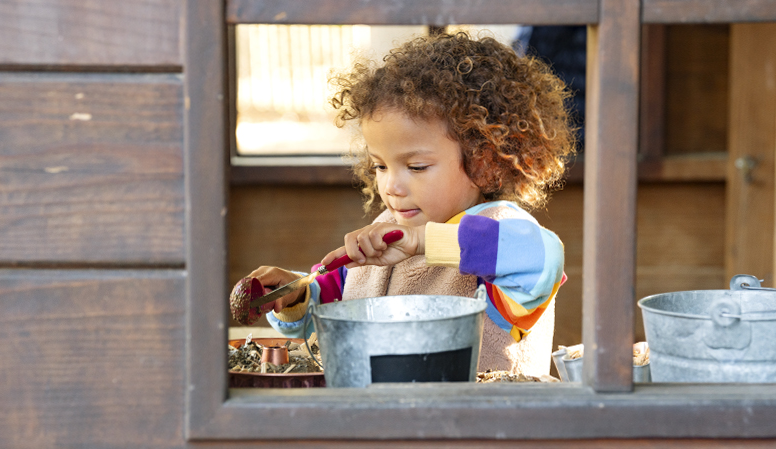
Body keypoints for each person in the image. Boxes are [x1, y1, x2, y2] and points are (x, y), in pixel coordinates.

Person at [245, 32, 575, 375]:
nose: (391, 185)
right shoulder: (385, 234)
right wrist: (293, 295)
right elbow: (329, 315)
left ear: (485, 161)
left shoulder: (500, 230)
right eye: (380, 165)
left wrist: (424, 241)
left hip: (481, 424)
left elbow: (544, 259)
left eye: (416, 167)